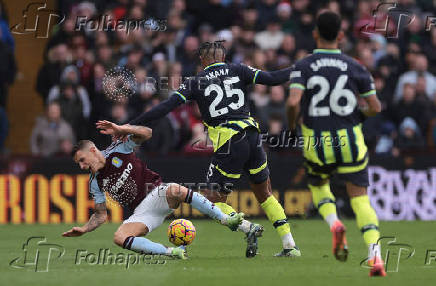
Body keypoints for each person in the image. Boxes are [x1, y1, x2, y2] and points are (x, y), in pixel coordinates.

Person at [102, 40, 301, 258]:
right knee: (265, 194)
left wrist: (129, 125)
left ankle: (247, 228)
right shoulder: (239, 69)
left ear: (202, 60)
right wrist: (300, 68)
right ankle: (289, 245)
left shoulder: (196, 81)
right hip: (253, 136)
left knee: (211, 200)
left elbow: (165, 107)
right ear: (223, 56)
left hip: (230, 142)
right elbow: (274, 78)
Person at [286, 11, 385, 277]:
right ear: (341, 36)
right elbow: (375, 106)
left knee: (318, 185)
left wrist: (293, 125)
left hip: (316, 139)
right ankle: (375, 255)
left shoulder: (303, 66)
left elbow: (294, 102)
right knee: (360, 198)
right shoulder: (356, 66)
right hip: (350, 140)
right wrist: (358, 116)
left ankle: (334, 224)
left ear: (315, 34)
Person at [63, 122, 244, 260]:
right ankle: (173, 252)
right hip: (142, 212)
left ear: (93, 150)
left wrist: (122, 129)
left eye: (82, 160)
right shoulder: (95, 181)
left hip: (156, 193)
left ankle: (226, 219)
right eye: (79, 163)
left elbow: (147, 133)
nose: (81, 166)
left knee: (175, 189)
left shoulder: (118, 149)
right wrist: (85, 229)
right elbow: (101, 215)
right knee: (119, 237)